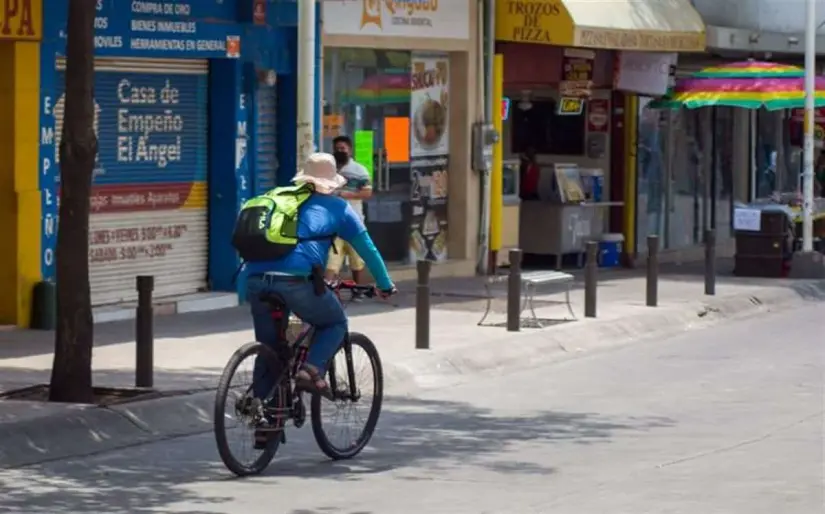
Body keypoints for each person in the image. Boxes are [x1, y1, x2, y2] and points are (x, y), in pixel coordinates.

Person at [245, 152, 395, 404]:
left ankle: (260, 413)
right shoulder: (339, 207)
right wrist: (384, 284)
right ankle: (311, 370)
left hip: (255, 278)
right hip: (295, 282)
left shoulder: (278, 197)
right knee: (334, 322)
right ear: (333, 182)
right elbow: (367, 249)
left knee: (270, 348)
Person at [326, 135, 373, 298]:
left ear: (349, 150)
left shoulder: (359, 170)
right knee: (332, 259)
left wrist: (347, 194)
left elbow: (367, 192)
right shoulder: (329, 171)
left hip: (354, 221)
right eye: (337, 149)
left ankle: (358, 290)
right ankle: (328, 291)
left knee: (356, 260)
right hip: (334, 224)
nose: (340, 151)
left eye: (343, 148)